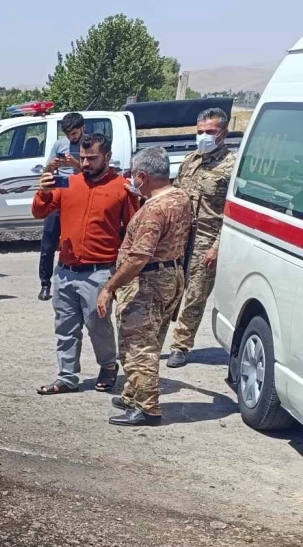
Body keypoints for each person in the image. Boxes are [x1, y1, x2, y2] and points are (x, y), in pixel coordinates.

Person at [31, 133, 138, 396]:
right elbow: (39, 211)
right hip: (65, 271)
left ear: (108, 157)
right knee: (65, 327)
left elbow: (133, 229)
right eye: (83, 158)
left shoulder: (122, 187)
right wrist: (43, 192)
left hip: (99, 271)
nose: (86, 163)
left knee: (97, 324)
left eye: (92, 158)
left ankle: (108, 366)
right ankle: (67, 377)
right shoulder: (68, 183)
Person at [94, 147, 191, 426]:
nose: (131, 180)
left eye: (134, 176)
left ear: (143, 176)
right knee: (151, 339)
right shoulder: (179, 197)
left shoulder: (154, 210)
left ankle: (147, 408)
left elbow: (139, 257)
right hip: (170, 277)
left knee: (138, 345)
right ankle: (133, 394)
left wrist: (110, 287)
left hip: (147, 283)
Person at [166, 107, 237, 368]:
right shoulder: (190, 161)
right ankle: (154, 341)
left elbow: (232, 213)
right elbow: (174, 196)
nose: (204, 136)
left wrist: (218, 246)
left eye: (210, 132)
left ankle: (180, 345)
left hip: (208, 240)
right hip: (179, 238)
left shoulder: (231, 167)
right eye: (200, 132)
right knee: (168, 291)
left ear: (223, 133)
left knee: (195, 296)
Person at [38, 113, 86, 301]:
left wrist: (76, 164)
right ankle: (45, 284)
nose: (71, 138)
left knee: (76, 240)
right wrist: (51, 166)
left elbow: (93, 172)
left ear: (83, 127)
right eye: (68, 134)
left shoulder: (90, 144)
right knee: (48, 241)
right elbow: (46, 172)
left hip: (79, 196)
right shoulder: (59, 145)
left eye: (74, 133)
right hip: (58, 195)